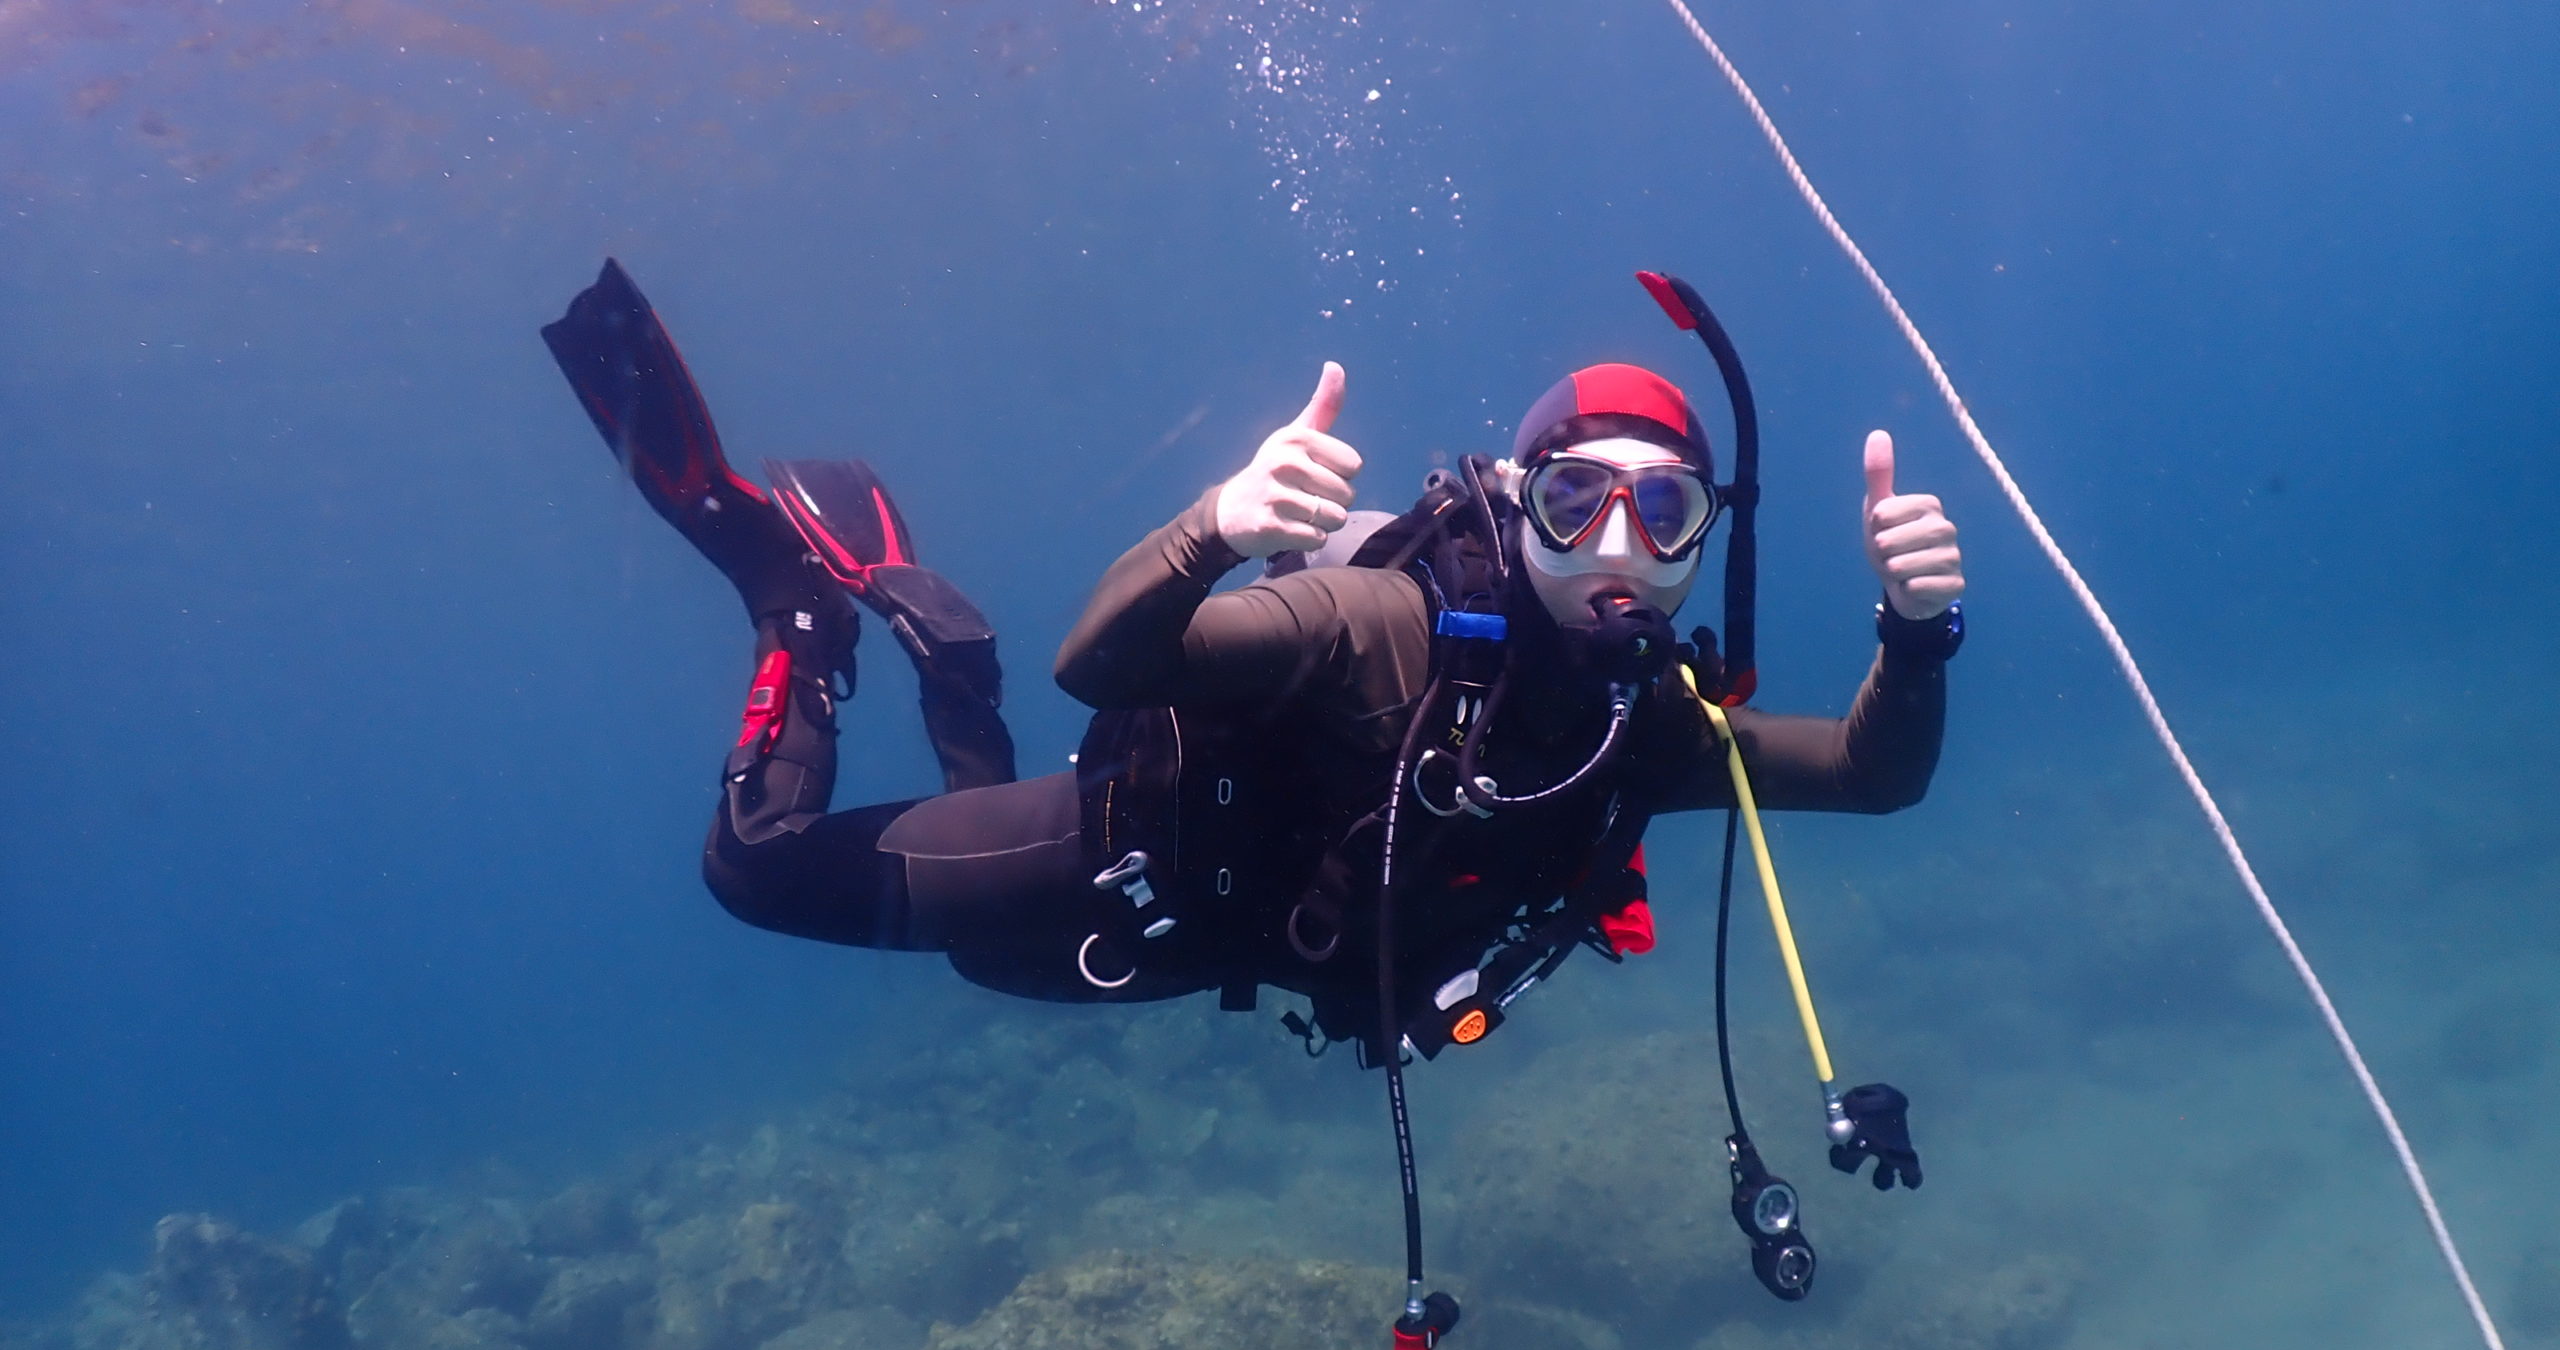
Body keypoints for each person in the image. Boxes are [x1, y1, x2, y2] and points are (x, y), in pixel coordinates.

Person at [542, 259, 1963, 1049]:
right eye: (1574, 497)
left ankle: (950, 675)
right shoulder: (1377, 628)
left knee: (983, 972)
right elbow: (1101, 666)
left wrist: (1915, 637)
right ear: (1519, 505)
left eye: (1666, 512)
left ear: (1707, 540)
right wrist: (1215, 529)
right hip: (1123, 856)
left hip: (1217, 945)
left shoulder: (1640, 729)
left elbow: (1869, 774)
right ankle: (796, 608)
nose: (1618, 546)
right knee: (753, 874)